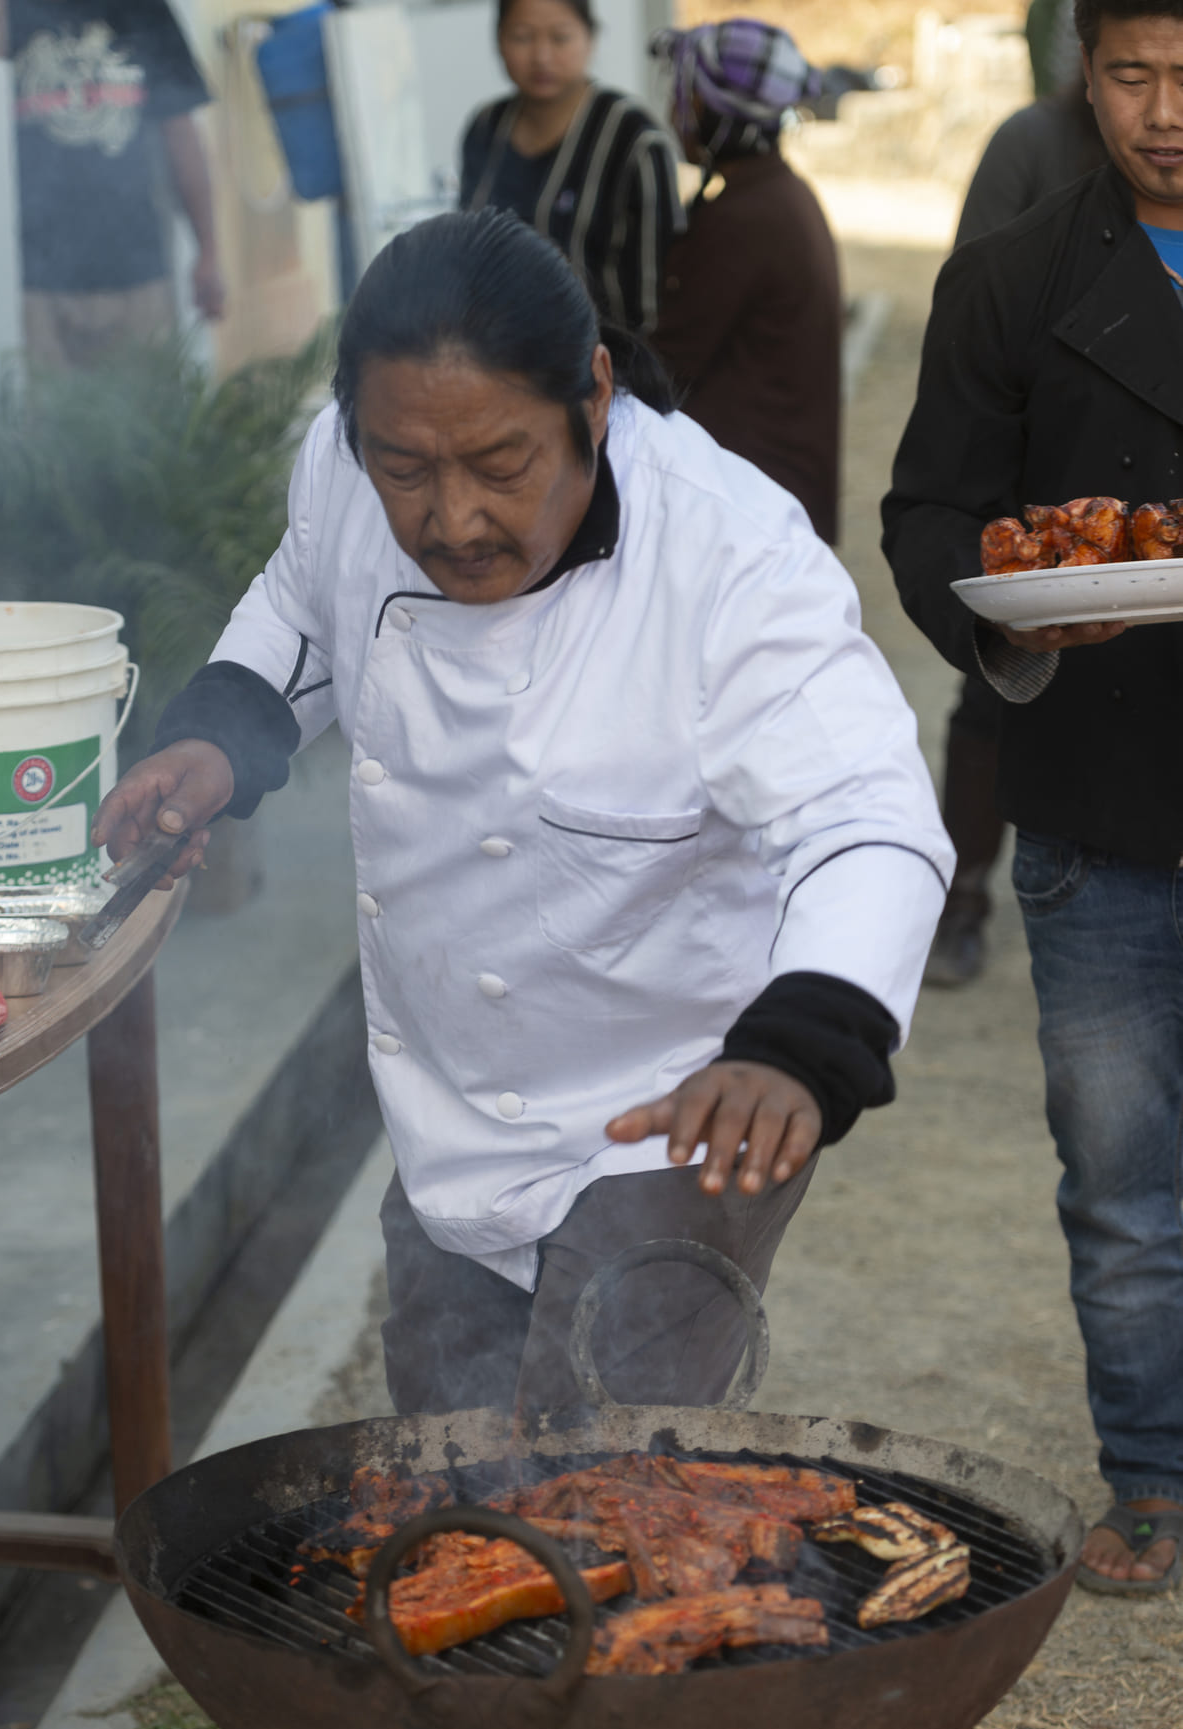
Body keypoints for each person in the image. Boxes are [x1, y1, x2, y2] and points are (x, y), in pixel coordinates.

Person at [97, 209, 950, 1729]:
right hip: (450, 1102)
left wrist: (797, 1040)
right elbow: (301, 612)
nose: (454, 514)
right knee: (460, 1480)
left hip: (678, 1108)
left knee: (630, 1492)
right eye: (409, 469)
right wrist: (222, 731)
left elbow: (868, 811)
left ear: (598, 400)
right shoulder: (352, 474)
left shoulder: (731, 560)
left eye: (500, 463)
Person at [882, 0, 1183, 1595]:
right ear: (1084, 72)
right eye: (1132, 75)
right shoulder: (1012, 279)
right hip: (1100, 798)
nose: (1165, 112)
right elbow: (931, 510)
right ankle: (1148, 1477)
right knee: (1125, 1183)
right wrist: (1012, 614)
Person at [926, 9, 1107, 988]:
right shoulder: (1030, 147)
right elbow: (973, 315)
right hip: (1037, 487)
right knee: (994, 695)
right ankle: (960, 897)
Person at [648, 20, 842, 544]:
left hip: (751, 506)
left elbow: (666, 362)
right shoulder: (778, 193)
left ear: (719, 115)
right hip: (779, 488)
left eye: (685, 97)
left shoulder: (741, 217)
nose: (673, 113)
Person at [11, 0, 226, 369]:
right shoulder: (4, 12)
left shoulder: (145, 11)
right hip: (30, 287)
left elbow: (182, 134)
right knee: (40, 423)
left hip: (139, 281)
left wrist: (207, 252)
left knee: (147, 422)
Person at [459, 0, 682, 332]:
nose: (541, 57)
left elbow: (661, 290)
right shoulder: (486, 127)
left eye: (560, 38)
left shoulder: (634, 140)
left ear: (590, 39)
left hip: (605, 363)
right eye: (522, 37)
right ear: (498, 40)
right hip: (497, 354)